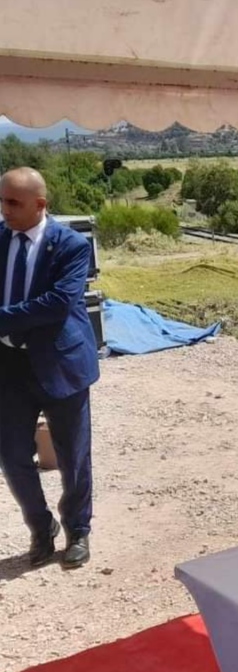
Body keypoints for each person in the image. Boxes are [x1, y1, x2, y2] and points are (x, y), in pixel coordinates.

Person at [0, 168, 99, 568]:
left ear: (40, 205)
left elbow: (57, 303)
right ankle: (42, 528)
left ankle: (78, 529)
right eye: (1, 200)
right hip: (8, 365)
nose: (4, 210)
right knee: (11, 456)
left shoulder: (72, 246)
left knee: (73, 456)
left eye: (13, 203)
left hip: (61, 364)